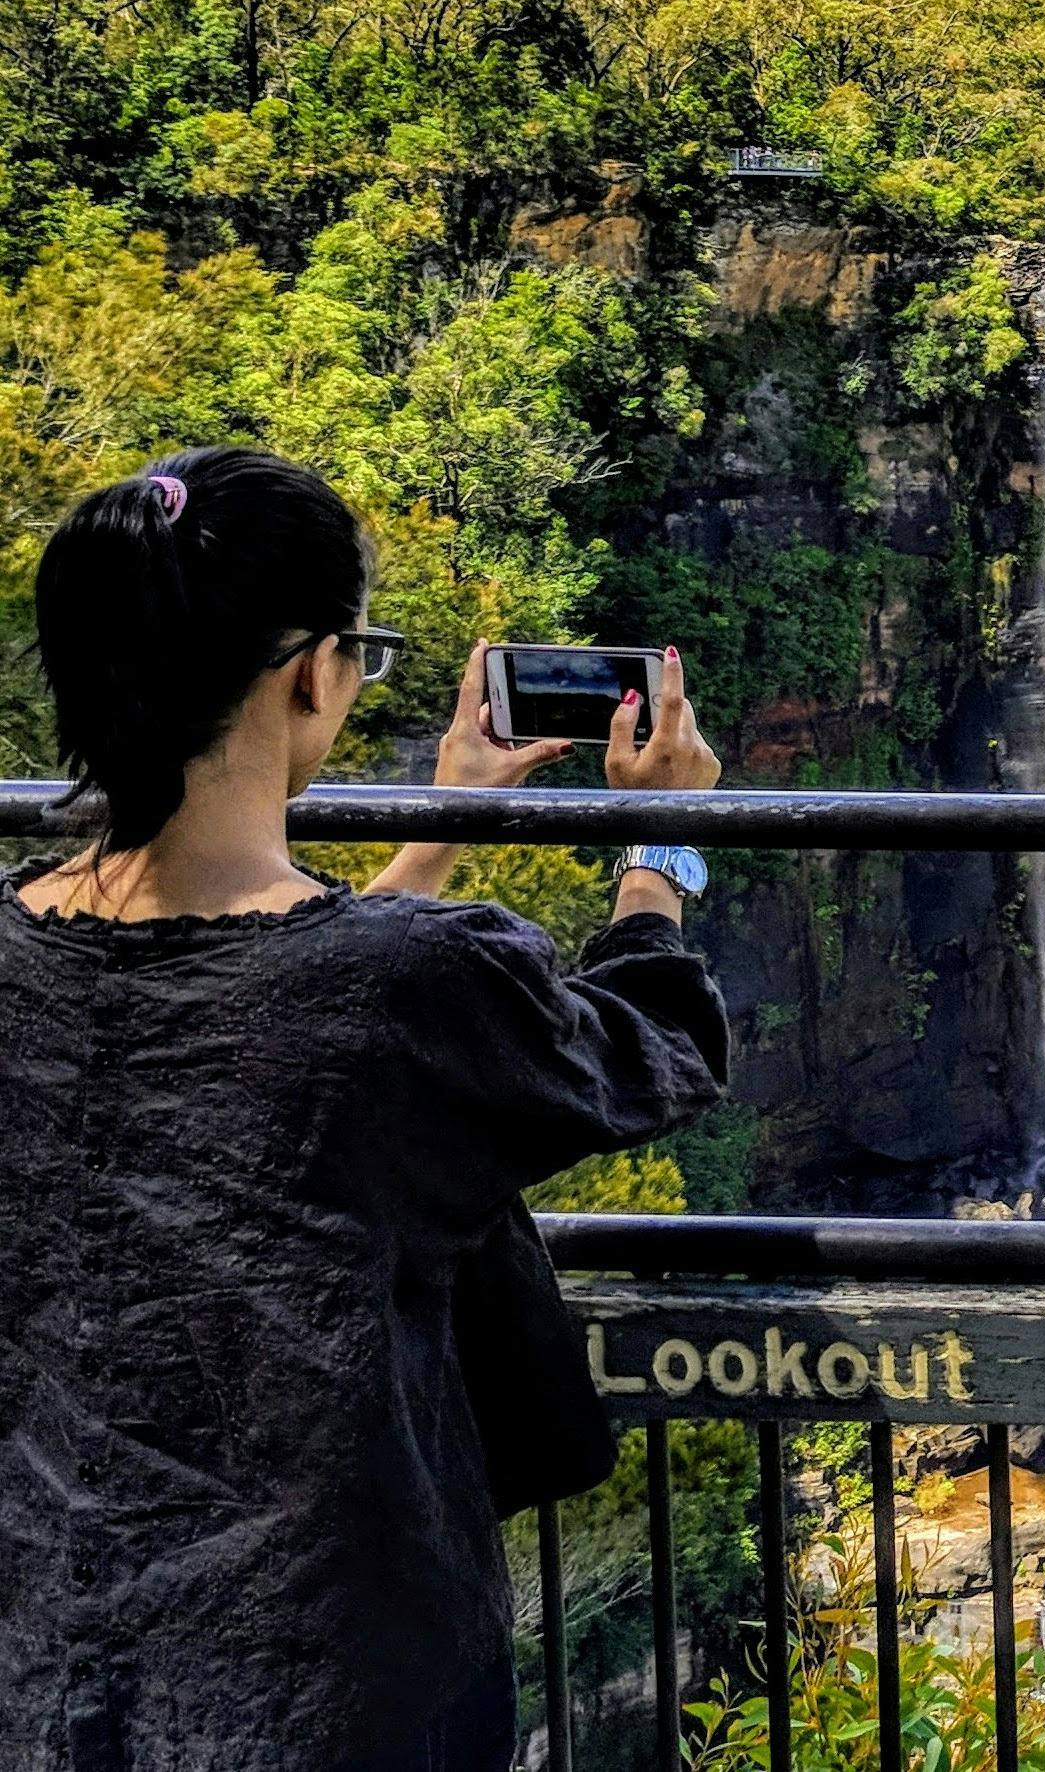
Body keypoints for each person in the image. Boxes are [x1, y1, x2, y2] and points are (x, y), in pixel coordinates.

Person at [0, 447, 731, 1772]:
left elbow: (273, 988)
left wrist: (445, 819)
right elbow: (655, 1050)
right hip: (327, 1674)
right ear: (309, 674)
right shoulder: (422, 982)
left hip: (47, 1663)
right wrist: (655, 853)